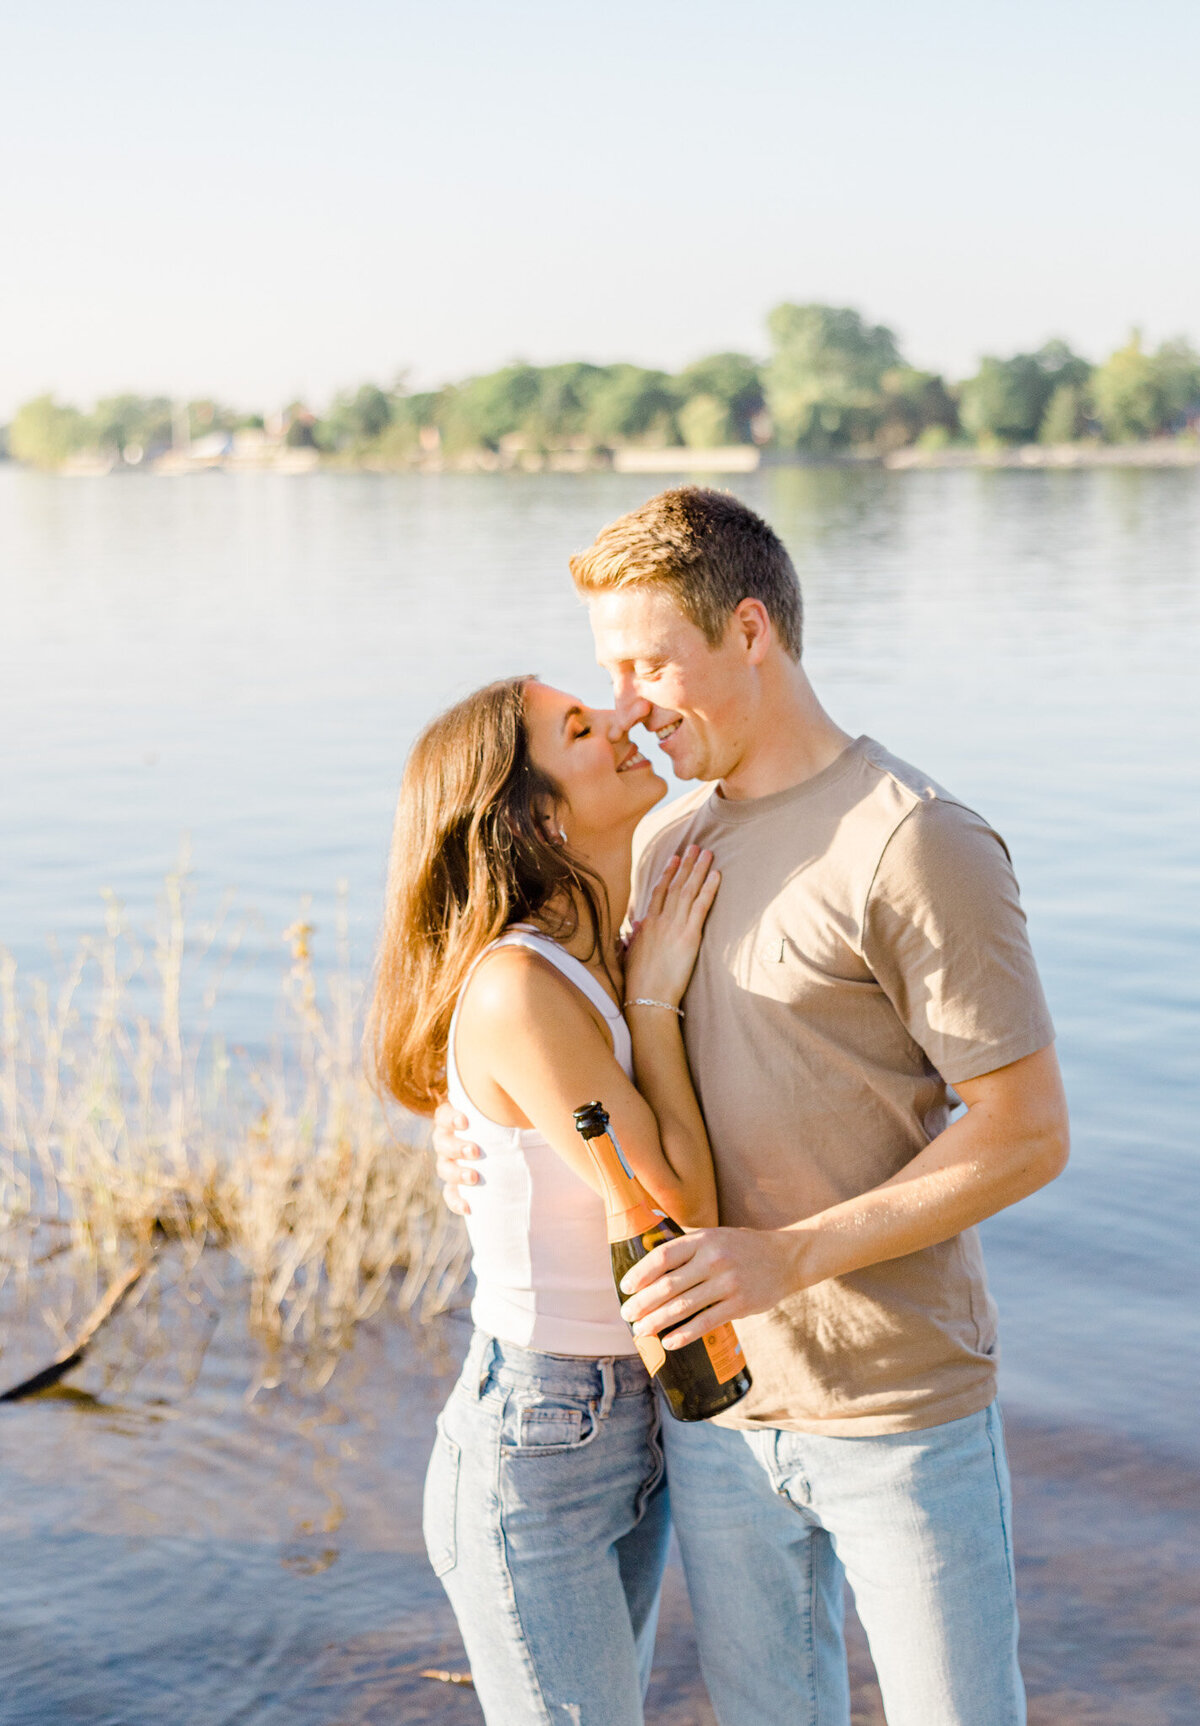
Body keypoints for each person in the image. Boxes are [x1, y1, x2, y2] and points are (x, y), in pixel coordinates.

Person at [435, 487, 1070, 1726]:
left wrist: (787, 1256)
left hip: (899, 1405)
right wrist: (461, 1124)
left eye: (648, 662)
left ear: (749, 631)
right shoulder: (666, 840)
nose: (628, 704)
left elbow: (1028, 1130)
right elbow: (550, 1030)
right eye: (609, 673)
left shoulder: (913, 840)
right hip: (716, 1421)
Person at [367, 673, 725, 1726]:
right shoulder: (524, 986)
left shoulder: (592, 962)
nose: (621, 721)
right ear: (534, 815)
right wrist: (656, 999)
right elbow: (682, 1202)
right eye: (580, 727)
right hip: (541, 1437)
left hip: (622, 1419)